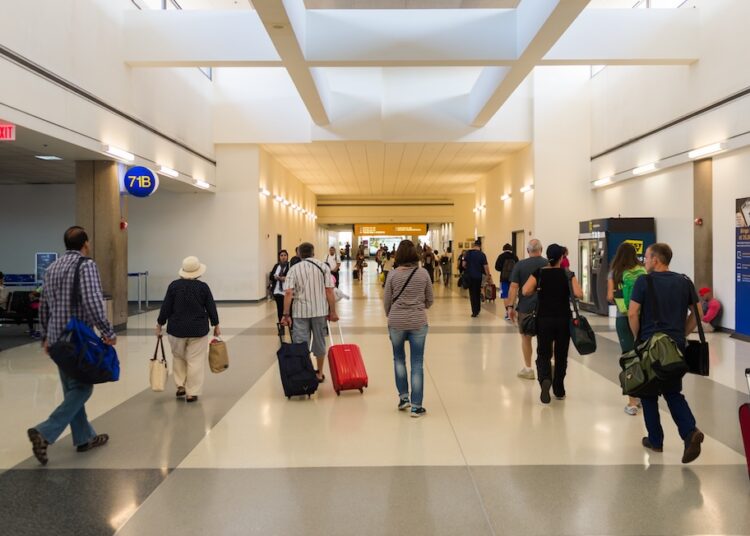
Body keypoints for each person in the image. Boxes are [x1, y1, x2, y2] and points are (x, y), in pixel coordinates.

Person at [27, 226, 116, 465]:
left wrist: (45, 336)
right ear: (85, 243)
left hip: (56, 338)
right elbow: (92, 301)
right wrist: (107, 331)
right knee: (83, 389)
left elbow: (44, 304)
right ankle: (45, 431)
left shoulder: (52, 267)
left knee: (71, 388)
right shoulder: (86, 265)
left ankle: (84, 438)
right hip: (77, 340)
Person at [628, 243, 704, 464]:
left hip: (651, 344)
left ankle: (656, 440)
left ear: (656, 259)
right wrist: (682, 332)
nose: (645, 261)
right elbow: (698, 312)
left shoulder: (644, 281)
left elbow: (633, 313)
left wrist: (638, 337)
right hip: (675, 345)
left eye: (647, 257)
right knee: (672, 391)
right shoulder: (684, 281)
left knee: (648, 392)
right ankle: (690, 432)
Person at [522, 244, 583, 404]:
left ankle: (545, 380)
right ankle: (559, 388)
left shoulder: (540, 273)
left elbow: (525, 290)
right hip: (563, 319)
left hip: (543, 319)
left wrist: (540, 289)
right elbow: (578, 294)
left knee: (544, 353)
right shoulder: (567, 273)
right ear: (561, 258)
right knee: (561, 355)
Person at [157, 256, 220, 403]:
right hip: (198, 330)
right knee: (195, 360)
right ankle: (192, 392)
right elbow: (211, 307)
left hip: (176, 329)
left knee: (178, 357)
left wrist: (160, 323)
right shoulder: (203, 287)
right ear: (198, 272)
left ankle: (180, 385)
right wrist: (216, 324)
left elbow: (166, 307)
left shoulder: (173, 286)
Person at [384, 240, 434, 418]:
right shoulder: (423, 274)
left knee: (398, 359)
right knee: (417, 364)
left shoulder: (392, 275)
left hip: (396, 321)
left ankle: (404, 398)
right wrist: (419, 306)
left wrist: (391, 315)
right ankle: (416, 406)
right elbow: (430, 299)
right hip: (418, 322)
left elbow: (387, 301)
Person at [280, 242, 339, 383]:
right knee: (319, 342)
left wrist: (286, 315)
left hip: (300, 312)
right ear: (313, 252)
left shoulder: (293, 269)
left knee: (301, 344)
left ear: (299, 254)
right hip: (319, 311)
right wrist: (333, 311)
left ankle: (305, 373)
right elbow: (329, 290)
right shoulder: (323, 267)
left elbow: (288, 293)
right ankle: (319, 373)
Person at [607, 242, 646, 416]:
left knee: (629, 358)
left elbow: (609, 297)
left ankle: (632, 402)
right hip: (644, 317)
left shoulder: (614, 273)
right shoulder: (643, 271)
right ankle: (645, 396)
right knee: (644, 356)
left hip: (624, 318)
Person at [505, 239, 549, 380]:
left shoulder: (520, 265)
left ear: (528, 250)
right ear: (541, 249)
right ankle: (548, 365)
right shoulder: (549, 264)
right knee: (547, 339)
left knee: (526, 338)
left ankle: (528, 368)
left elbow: (513, 287)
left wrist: (510, 307)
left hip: (525, 308)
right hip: (545, 308)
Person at [462, 240, 493, 317]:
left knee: (472, 294)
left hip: (470, 276)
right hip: (478, 277)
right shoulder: (482, 255)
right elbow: (486, 267)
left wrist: (468, 268)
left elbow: (463, 264)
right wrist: (488, 276)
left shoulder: (468, 253)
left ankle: (474, 311)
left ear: (474, 245)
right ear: (480, 246)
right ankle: (478, 309)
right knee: (477, 292)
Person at [494, 243, 519, 318]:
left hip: (503, 279)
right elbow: (518, 267)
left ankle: (507, 312)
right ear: (511, 249)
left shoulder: (501, 256)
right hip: (513, 279)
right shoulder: (515, 257)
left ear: (503, 249)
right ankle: (512, 311)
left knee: (505, 295)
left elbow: (497, 267)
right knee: (513, 294)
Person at [270, 250, 291, 325]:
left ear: (287, 256)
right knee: (279, 310)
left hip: (286, 292)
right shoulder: (276, 266)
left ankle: (290, 326)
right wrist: (275, 277)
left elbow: (292, 277)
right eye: (281, 255)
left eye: (285, 255)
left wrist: (284, 278)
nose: (283, 257)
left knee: (288, 310)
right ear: (279, 257)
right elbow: (271, 276)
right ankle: (281, 327)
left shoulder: (290, 265)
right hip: (277, 291)